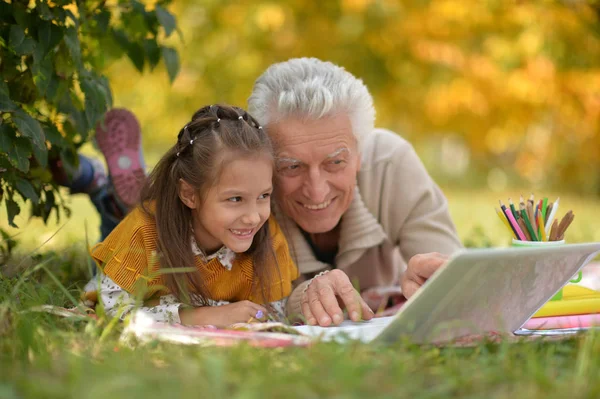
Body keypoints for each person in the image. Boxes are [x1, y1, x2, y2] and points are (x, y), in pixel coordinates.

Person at [248, 58, 463, 327]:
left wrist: (432, 279)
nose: (316, 191)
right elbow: (230, 304)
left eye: (335, 162)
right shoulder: (245, 189)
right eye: (291, 166)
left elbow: (461, 285)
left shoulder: (390, 162)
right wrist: (298, 301)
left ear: (360, 154)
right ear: (265, 162)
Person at [82, 104, 298, 327]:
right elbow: (107, 309)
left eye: (264, 196)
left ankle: (119, 189)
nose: (253, 217)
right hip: (127, 257)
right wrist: (204, 316)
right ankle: (97, 183)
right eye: (235, 199)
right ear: (189, 194)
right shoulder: (143, 231)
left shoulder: (267, 237)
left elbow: (274, 313)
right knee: (119, 218)